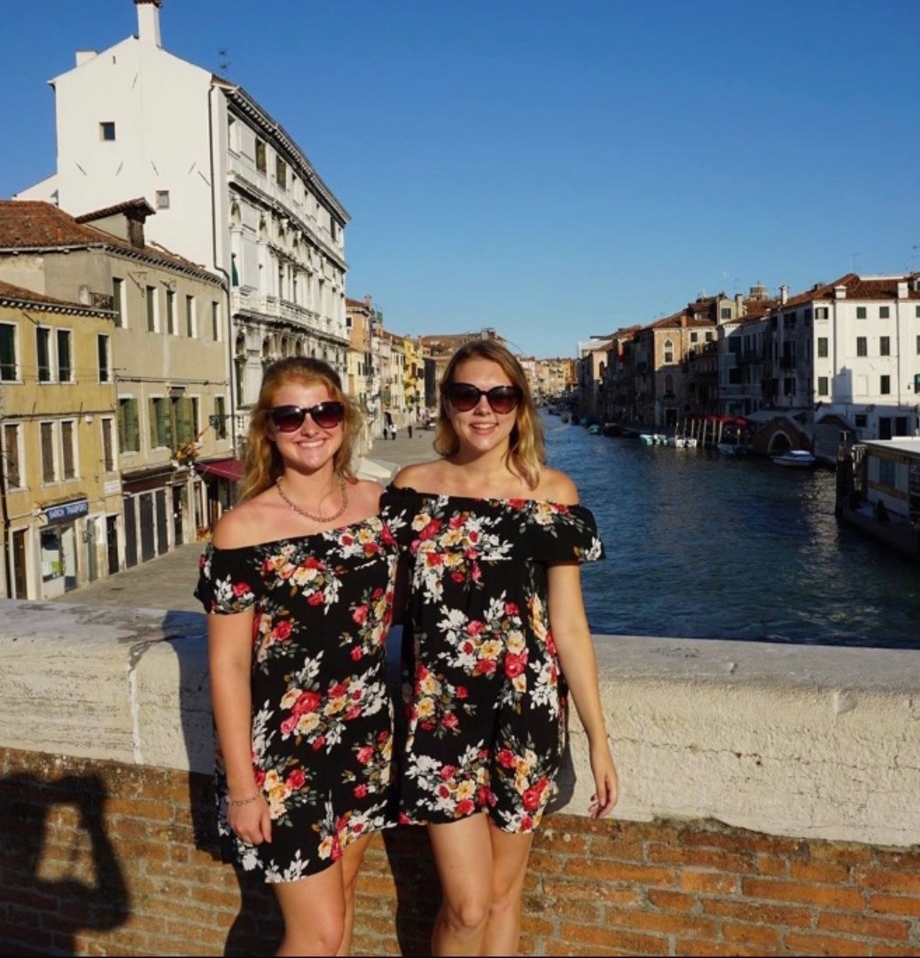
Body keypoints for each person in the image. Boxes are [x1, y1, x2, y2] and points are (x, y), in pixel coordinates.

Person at [379, 339, 618, 956]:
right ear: (447, 404)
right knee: (467, 906)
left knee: (505, 896)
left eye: (500, 396)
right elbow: (381, 604)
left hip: (526, 712)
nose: (483, 409)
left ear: (520, 406)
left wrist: (598, 739)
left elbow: (569, 625)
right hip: (438, 718)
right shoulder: (412, 490)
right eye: (467, 395)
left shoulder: (553, 493)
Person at [195, 356, 397, 956]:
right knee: (319, 932)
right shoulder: (241, 529)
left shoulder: (380, 506)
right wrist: (242, 787)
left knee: (344, 901)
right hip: (285, 751)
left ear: (344, 419)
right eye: (290, 416)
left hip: (366, 733)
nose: (310, 427)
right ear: (268, 427)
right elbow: (228, 665)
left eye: (324, 411)